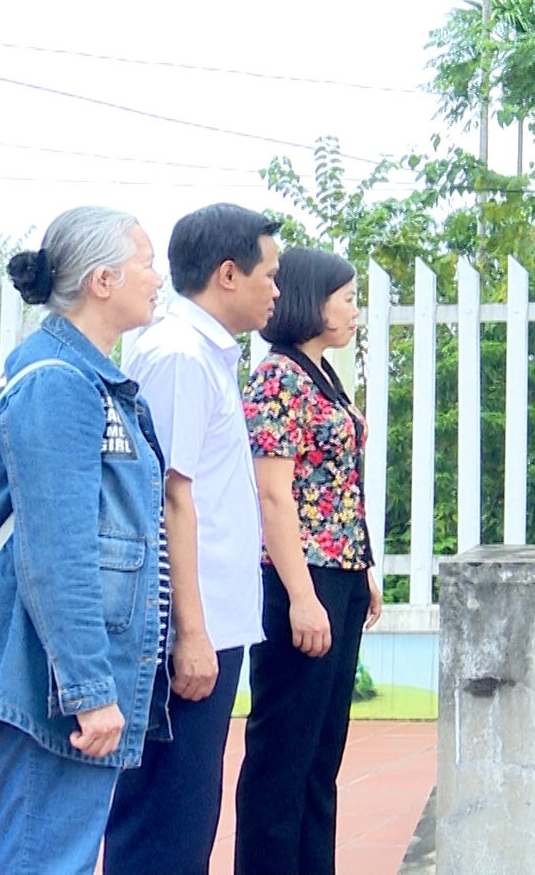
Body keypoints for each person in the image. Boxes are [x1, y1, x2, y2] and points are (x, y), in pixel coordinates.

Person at [0, 206, 170, 874]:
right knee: (41, 859)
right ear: (101, 279)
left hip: (54, 670)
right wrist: (91, 691)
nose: (158, 278)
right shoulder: (60, 384)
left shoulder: (74, 374)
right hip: (51, 678)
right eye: (146, 262)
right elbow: (59, 556)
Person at [106, 204, 280, 874]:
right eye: (270, 275)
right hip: (188, 626)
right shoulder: (178, 354)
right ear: (229, 274)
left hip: (216, 623)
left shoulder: (207, 354)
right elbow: (166, 497)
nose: (276, 291)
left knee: (187, 815)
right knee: (164, 825)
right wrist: (191, 633)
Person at [235, 246, 382, 875]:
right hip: (300, 577)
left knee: (323, 756)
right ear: (309, 300)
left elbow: (342, 484)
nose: (355, 311)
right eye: (346, 297)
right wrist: (302, 595)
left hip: (341, 574)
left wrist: (364, 568)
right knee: (283, 754)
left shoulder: (323, 376)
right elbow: (274, 494)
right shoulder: (277, 378)